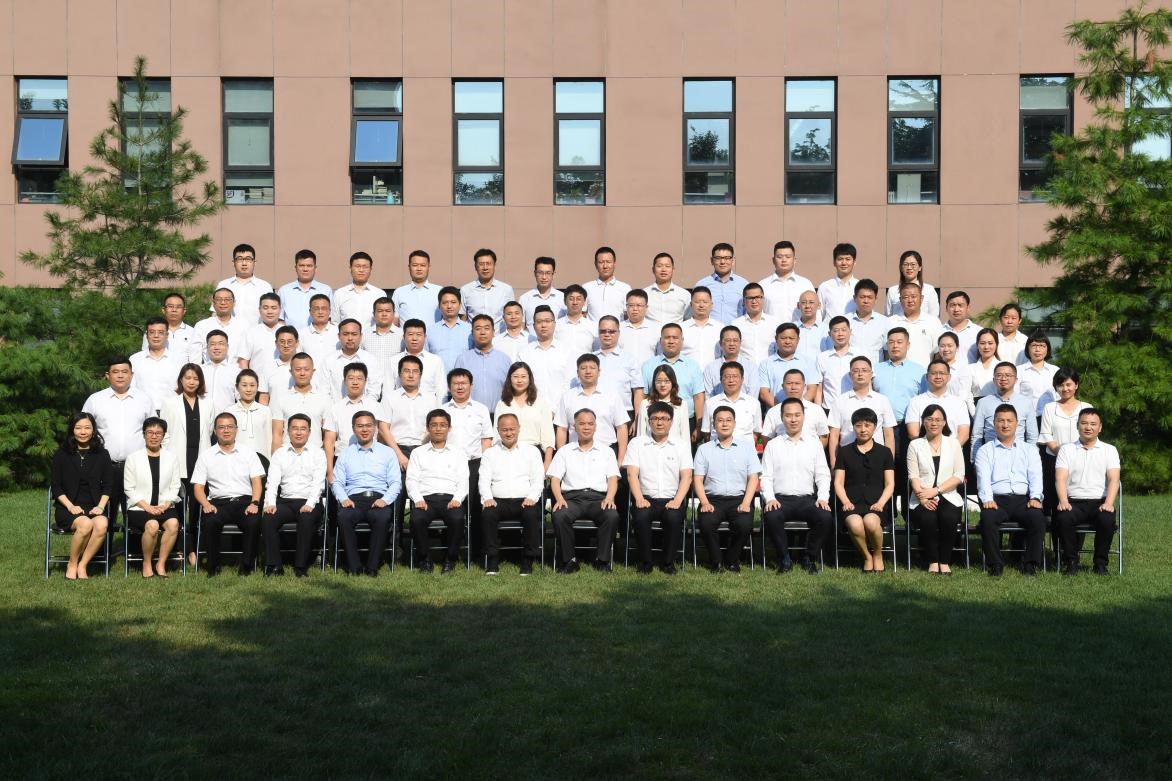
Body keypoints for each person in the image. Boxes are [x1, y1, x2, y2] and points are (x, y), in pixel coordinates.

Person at [82, 356, 155, 530]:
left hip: (136, 466)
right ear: (107, 375)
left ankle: (134, 546)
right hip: (105, 465)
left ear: (132, 375)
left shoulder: (144, 399)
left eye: (124, 372)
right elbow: (83, 429)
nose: (120, 375)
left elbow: (154, 430)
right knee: (104, 512)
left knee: (137, 511)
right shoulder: (95, 400)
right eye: (115, 372)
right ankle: (103, 547)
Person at [761, 398, 833, 574]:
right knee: (772, 516)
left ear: (803, 416)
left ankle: (810, 557)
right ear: (782, 418)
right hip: (780, 500)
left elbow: (823, 475)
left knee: (825, 517)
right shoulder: (772, 445)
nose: (793, 419)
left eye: (797, 415)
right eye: (788, 415)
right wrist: (770, 499)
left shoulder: (814, 444)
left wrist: (823, 498)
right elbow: (766, 477)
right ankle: (784, 558)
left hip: (807, 500)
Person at [191, 412, 265, 577]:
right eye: (222, 427)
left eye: (230, 427)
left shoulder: (248, 453)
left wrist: (254, 503)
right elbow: (198, 487)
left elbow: (257, 482)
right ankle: (213, 567)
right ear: (215, 431)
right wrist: (206, 504)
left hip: (244, 502)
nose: (226, 430)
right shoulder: (206, 456)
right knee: (210, 522)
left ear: (236, 430)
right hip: (218, 503)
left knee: (253, 522)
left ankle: (246, 567)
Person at [975, 404, 1046, 576]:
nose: (1005, 425)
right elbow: (983, 479)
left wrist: (1036, 497)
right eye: (1000, 421)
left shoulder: (1029, 450)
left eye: (1009, 421)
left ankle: (1030, 564)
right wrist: (987, 499)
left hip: (1023, 500)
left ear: (1017, 424)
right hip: (997, 500)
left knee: (1037, 518)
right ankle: (995, 564)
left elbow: (1036, 476)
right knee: (987, 518)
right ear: (994, 423)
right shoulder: (985, 450)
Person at [548, 409, 622, 573]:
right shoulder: (564, 451)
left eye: (590, 423)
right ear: (574, 427)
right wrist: (559, 498)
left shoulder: (607, 451)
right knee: (560, 515)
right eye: (582, 424)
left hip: (598, 499)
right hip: (572, 499)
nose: (586, 427)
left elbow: (612, 479)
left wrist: (610, 498)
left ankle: (602, 560)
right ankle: (569, 560)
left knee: (611, 515)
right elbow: (555, 479)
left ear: (596, 426)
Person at [624, 401, 693, 575]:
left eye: (664, 418)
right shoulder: (637, 444)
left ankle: (668, 563)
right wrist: (639, 498)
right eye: (655, 419)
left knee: (674, 518)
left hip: (672, 498)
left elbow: (687, 476)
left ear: (671, 421)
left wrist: (677, 500)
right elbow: (632, 474)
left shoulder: (681, 445)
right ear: (648, 421)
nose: (659, 422)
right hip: (646, 497)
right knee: (641, 517)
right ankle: (645, 562)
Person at [332, 411, 401, 576]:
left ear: (375, 427)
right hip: (353, 500)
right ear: (353, 429)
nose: (364, 429)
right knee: (344, 516)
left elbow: (395, 482)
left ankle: (372, 567)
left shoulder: (388, 452)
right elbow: (337, 482)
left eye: (368, 425)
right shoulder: (345, 454)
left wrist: (385, 500)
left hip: (378, 498)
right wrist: (343, 499)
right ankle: (354, 567)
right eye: (360, 426)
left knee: (382, 517)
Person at [692, 406, 761, 573]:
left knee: (744, 524)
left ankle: (731, 560)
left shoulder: (747, 448)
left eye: (728, 420)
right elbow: (697, 480)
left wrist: (746, 503)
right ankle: (716, 561)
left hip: (739, 499)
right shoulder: (704, 449)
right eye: (720, 420)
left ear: (734, 424)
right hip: (712, 500)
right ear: (714, 425)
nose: (724, 424)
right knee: (707, 523)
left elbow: (753, 478)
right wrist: (704, 503)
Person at [1054, 408, 1121, 576]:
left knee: (1107, 519)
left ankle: (1100, 564)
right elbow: (1060, 478)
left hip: (1100, 502)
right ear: (1077, 426)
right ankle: (1071, 562)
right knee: (1063, 517)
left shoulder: (1109, 450)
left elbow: (1114, 479)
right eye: (1084, 423)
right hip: (1073, 502)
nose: (1088, 427)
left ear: (1100, 427)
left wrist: (1109, 503)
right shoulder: (1066, 449)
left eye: (1093, 424)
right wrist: (1063, 501)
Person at [260, 413, 326, 577]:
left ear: (309, 432)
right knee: (269, 518)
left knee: (306, 518)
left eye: (303, 429)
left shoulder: (318, 453)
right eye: (295, 428)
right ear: (287, 431)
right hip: (286, 501)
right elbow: (272, 482)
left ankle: (300, 567)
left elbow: (318, 483)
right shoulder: (279, 453)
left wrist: (309, 504)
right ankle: (275, 565)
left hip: (310, 501)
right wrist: (270, 504)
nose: (299, 432)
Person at [480, 412, 545, 576]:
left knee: (531, 514)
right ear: (498, 431)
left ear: (518, 429)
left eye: (512, 429)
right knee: (488, 514)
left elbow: (538, 479)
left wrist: (532, 498)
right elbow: (484, 480)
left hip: (525, 500)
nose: (509, 433)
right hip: (498, 501)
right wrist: (487, 498)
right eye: (504, 430)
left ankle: (528, 560)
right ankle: (492, 560)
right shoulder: (489, 453)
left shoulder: (532, 451)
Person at [51, 412, 114, 579]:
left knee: (102, 524)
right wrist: (70, 506)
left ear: (93, 430)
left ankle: (83, 564)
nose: (83, 432)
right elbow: (56, 487)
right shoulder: (62, 454)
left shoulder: (102, 454)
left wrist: (100, 506)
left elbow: (108, 485)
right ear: (72, 430)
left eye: (87, 428)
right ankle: (72, 563)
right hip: (67, 508)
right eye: (78, 428)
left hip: (94, 506)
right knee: (85, 524)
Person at [406, 409, 471, 573]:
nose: (438, 429)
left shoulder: (458, 453)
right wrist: (417, 499)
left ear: (449, 428)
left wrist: (457, 499)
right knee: (416, 520)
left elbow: (464, 479)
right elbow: (411, 479)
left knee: (457, 519)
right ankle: (425, 560)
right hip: (425, 499)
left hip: (450, 498)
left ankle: (451, 559)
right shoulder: (417, 453)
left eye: (442, 425)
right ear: (428, 428)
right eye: (434, 425)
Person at [833, 407, 895, 572]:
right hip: (851, 503)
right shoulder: (844, 452)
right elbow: (838, 482)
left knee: (870, 522)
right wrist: (845, 502)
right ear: (853, 427)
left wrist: (881, 503)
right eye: (858, 425)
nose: (863, 429)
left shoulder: (885, 452)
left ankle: (878, 554)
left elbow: (890, 483)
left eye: (867, 425)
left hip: (877, 503)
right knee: (855, 524)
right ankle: (867, 556)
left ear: (875, 427)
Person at [906, 404, 966, 574]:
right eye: (930, 419)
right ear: (923, 422)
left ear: (944, 422)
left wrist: (936, 490)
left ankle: (945, 561)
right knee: (928, 518)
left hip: (948, 494)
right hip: (922, 496)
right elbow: (913, 476)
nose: (934, 423)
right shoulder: (915, 445)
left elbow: (959, 475)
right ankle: (933, 560)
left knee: (948, 517)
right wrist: (923, 497)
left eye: (938, 420)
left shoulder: (953, 444)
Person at [161, 363, 214, 551]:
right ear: (181, 380)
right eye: (188, 378)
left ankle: (196, 547)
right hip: (178, 461)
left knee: (198, 508)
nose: (192, 382)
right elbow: (165, 433)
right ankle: (181, 547)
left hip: (200, 461)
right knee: (178, 506)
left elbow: (209, 431)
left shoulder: (208, 403)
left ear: (200, 381)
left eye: (196, 378)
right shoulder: (170, 403)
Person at [123, 417, 183, 578]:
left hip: (164, 505)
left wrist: (166, 504)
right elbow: (129, 488)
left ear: (163, 435)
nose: (154, 436)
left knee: (173, 524)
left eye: (158, 433)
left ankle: (161, 563)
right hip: (139, 507)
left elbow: (175, 485)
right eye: (150, 432)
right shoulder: (133, 458)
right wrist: (147, 507)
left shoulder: (171, 458)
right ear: (144, 434)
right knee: (152, 525)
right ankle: (147, 562)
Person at [555, 354, 630, 464]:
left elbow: (621, 427)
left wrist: (620, 460)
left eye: (592, 368)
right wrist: (561, 460)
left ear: (599, 372)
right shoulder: (567, 397)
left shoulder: (611, 395)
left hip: (607, 453)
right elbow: (561, 429)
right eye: (583, 368)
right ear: (577, 372)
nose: (588, 371)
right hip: (575, 454)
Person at [323, 363, 390, 479]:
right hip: (343, 460)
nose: (355, 382)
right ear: (344, 381)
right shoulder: (335, 408)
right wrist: (330, 472)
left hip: (372, 459)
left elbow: (382, 437)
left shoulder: (376, 407)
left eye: (359, 378)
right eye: (351, 378)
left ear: (365, 381)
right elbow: (329, 442)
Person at [827, 356, 897, 467]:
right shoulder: (840, 401)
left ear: (871, 374)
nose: (860, 374)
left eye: (864, 370)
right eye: (856, 371)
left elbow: (888, 435)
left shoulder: (882, 400)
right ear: (850, 375)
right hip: (848, 458)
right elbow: (834, 435)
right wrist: (833, 464)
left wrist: (889, 465)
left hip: (877, 458)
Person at [641, 323, 706, 438]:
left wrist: (698, 425)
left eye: (675, 338)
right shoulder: (648, 365)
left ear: (682, 340)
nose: (671, 341)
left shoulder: (692, 366)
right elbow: (643, 395)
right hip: (656, 422)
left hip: (686, 421)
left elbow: (698, 397)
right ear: (661, 341)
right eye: (667, 337)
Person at [971, 362, 1039, 459]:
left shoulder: (1026, 403)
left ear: (1016, 380)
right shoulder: (983, 402)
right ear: (994, 380)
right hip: (990, 456)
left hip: (1019, 456)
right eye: (999, 375)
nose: (1003, 378)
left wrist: (1032, 459)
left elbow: (1032, 437)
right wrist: (975, 460)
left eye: (1008, 375)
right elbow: (977, 435)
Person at [495, 361, 556, 470]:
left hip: (534, 455)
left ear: (529, 378)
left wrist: (547, 461)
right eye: (515, 377)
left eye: (523, 376)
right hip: (507, 454)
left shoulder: (541, 403)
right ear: (510, 379)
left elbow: (548, 435)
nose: (519, 380)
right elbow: (496, 435)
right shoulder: (503, 403)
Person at [270, 353, 330, 453]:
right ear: (291, 372)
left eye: (306, 369)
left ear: (313, 371)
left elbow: (328, 436)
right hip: (287, 454)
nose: (302, 373)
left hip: (315, 455)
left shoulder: (324, 399)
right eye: (298, 369)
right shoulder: (281, 398)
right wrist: (275, 459)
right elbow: (277, 435)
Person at [519, 305, 574, 412]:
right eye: (539, 322)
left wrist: (558, 410)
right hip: (532, 411)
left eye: (547, 321)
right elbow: (521, 384)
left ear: (554, 324)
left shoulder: (566, 351)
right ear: (534, 326)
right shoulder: (524, 353)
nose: (543, 325)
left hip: (561, 412)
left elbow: (570, 383)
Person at [905, 360, 971, 445]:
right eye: (933, 373)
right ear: (927, 377)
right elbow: (913, 433)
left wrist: (950, 450)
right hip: (924, 451)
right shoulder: (915, 401)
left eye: (942, 373)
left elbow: (964, 434)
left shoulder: (959, 403)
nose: (938, 377)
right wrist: (930, 450)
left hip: (953, 451)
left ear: (949, 377)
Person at [454, 314, 513, 408]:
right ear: (472, 333)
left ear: (493, 332)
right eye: (478, 329)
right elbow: (456, 388)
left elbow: (512, 389)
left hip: (499, 413)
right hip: (470, 413)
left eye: (486, 328)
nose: (482, 332)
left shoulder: (504, 359)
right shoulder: (463, 359)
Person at [760, 369, 830, 448]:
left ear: (804, 386)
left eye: (797, 383)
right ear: (783, 386)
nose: (793, 387)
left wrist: (815, 453)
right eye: (789, 383)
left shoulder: (817, 410)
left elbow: (824, 436)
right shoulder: (773, 412)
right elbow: (766, 438)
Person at [700, 361, 762, 447]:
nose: (731, 380)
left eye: (735, 376)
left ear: (742, 379)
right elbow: (706, 433)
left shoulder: (753, 403)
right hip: (718, 451)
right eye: (727, 377)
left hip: (745, 451)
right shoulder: (710, 403)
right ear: (721, 379)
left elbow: (756, 432)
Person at [593, 315, 644, 414]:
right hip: (596, 413)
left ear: (618, 333)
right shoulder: (591, 359)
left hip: (624, 413)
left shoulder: (630, 359)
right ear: (598, 333)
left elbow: (638, 391)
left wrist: (638, 417)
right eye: (603, 331)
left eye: (611, 331)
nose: (607, 334)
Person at [759, 322, 817, 407]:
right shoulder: (766, 364)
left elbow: (812, 389)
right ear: (776, 339)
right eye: (783, 338)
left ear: (798, 340)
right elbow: (764, 393)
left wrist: (798, 408)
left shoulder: (808, 362)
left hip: (802, 412)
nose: (787, 341)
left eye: (791, 338)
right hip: (776, 411)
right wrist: (781, 410)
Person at [131, 316, 182, 414]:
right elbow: (131, 388)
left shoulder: (179, 360)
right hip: (142, 413)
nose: (156, 336)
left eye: (160, 332)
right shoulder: (135, 360)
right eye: (152, 332)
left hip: (172, 413)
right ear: (146, 335)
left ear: (167, 335)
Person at [387, 318, 447, 400]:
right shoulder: (393, 361)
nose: (414, 338)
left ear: (425, 337)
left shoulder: (435, 361)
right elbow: (387, 390)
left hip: (428, 406)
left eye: (419, 334)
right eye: (410, 334)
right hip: (400, 405)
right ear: (404, 337)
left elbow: (441, 391)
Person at [889, 282, 943, 368]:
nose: (910, 300)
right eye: (906, 297)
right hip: (896, 372)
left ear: (921, 298)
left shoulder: (933, 322)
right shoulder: (891, 322)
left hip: (924, 373)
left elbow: (938, 353)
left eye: (913, 296)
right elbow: (886, 351)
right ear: (900, 300)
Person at [215, 243, 272, 324]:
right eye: (240, 259)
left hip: (255, 330)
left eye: (248, 259)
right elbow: (215, 312)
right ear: (233, 262)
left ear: (254, 262)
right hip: (229, 331)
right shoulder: (223, 285)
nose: (244, 263)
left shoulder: (265, 287)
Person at [224, 369, 273, 465]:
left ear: (258, 387)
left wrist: (269, 462)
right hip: (235, 461)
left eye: (252, 385)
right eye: (244, 385)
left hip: (260, 461)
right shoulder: (229, 411)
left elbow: (269, 439)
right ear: (237, 387)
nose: (248, 389)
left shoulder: (265, 411)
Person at [702, 325, 763, 401]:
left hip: (745, 407)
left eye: (735, 340)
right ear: (721, 343)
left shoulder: (751, 367)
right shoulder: (710, 368)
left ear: (740, 343)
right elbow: (708, 396)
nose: (731, 343)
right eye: (728, 340)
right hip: (718, 407)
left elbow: (753, 395)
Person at [326, 319, 383, 401]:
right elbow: (324, 391)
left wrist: (365, 407)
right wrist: (337, 407)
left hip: (365, 407)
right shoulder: (329, 360)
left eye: (354, 334)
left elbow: (374, 390)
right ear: (339, 336)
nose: (350, 338)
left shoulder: (370, 360)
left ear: (361, 336)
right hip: (335, 407)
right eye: (345, 334)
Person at [759, 240, 815, 323]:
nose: (784, 260)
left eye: (788, 257)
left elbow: (815, 312)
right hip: (771, 330)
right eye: (779, 257)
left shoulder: (805, 284)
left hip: (799, 330)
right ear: (773, 260)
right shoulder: (763, 285)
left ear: (794, 260)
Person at [277, 248, 332, 327]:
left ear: (315, 268)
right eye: (301, 266)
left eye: (309, 266)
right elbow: (279, 320)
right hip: (292, 335)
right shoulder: (284, 291)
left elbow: (330, 319)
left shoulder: (325, 290)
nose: (305, 269)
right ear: (296, 268)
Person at [694, 242, 746, 324]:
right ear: (712, 261)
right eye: (718, 258)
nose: (722, 262)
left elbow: (748, 312)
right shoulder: (701, 285)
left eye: (727, 258)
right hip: (709, 330)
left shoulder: (743, 285)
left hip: (736, 330)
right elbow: (694, 313)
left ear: (733, 261)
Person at [141, 292, 201, 364]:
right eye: (170, 306)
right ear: (163, 310)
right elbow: (145, 355)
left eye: (178, 307)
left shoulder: (193, 332)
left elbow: (196, 361)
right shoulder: (152, 332)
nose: (174, 310)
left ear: (184, 311)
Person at [461, 248, 515, 327]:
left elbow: (511, 316)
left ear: (494, 266)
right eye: (481, 264)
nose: (485, 268)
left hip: (498, 334)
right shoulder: (465, 290)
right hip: (473, 335)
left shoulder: (506, 289)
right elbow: (463, 318)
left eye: (488, 263)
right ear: (475, 267)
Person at [235, 292, 285, 378]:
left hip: (283, 382)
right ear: (259, 309)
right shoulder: (251, 332)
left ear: (280, 309)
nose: (269, 311)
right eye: (265, 308)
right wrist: (249, 381)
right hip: (258, 382)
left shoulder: (287, 332)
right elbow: (243, 361)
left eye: (274, 308)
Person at [730, 282, 779, 364]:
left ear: (763, 299)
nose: (754, 301)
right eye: (750, 298)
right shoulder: (735, 325)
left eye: (758, 297)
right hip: (745, 369)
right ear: (744, 301)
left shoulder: (774, 323)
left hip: (769, 369)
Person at [427, 286, 473, 373]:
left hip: (463, 379)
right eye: (445, 303)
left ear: (460, 305)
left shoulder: (470, 330)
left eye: (453, 302)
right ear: (439, 306)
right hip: (438, 379)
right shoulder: (429, 331)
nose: (449, 306)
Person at [332, 251, 384, 327]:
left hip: (372, 335)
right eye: (357, 266)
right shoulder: (339, 294)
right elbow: (335, 323)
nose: (361, 270)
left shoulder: (379, 294)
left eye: (365, 267)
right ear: (350, 268)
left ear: (371, 269)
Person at [194, 288, 246, 362]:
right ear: (213, 303)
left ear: (234, 303)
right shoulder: (201, 325)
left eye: (227, 299)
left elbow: (247, 354)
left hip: (236, 368)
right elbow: (195, 353)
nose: (223, 302)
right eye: (219, 299)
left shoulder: (244, 326)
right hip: (209, 368)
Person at [815, 315, 855, 410]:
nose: (840, 334)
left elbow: (868, 385)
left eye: (844, 330)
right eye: (836, 331)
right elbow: (819, 390)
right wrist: (818, 412)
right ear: (829, 334)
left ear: (850, 332)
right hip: (829, 410)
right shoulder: (822, 358)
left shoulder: (860, 355)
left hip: (854, 409)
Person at [392, 249, 442, 326]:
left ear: (429, 267)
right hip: (406, 334)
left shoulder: (439, 291)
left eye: (423, 265)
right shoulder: (399, 292)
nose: (419, 269)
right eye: (415, 265)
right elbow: (394, 321)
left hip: (434, 334)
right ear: (409, 267)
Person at [846, 279, 891, 364]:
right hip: (850, 370)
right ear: (855, 298)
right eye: (862, 297)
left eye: (870, 297)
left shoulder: (884, 322)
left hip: (876, 370)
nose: (866, 301)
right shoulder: (845, 322)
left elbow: (887, 351)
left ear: (876, 299)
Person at [885, 250, 939, 318]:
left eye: (913, 264)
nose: (909, 268)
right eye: (905, 264)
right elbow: (888, 317)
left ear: (920, 268)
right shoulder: (892, 291)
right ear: (901, 268)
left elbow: (934, 316)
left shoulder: (929, 290)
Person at [583, 245, 631, 321]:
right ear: (595, 264)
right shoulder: (586, 288)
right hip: (593, 329)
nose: (605, 266)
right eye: (601, 262)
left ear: (614, 264)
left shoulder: (625, 288)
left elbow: (627, 315)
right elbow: (583, 314)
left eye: (608, 262)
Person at [1017, 331, 1060, 414]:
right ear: (1027, 348)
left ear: (1048, 349)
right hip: (1027, 415)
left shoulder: (1055, 371)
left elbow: (1059, 396)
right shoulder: (1019, 371)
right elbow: (1015, 396)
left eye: (1042, 346)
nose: (1037, 350)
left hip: (1051, 415)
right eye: (1034, 346)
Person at [679, 286, 723, 364]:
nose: (701, 305)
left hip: (714, 371)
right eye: (697, 302)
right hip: (687, 371)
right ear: (691, 304)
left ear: (711, 304)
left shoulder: (721, 328)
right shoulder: (681, 329)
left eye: (705, 302)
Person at [644, 252, 690, 324]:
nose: (663, 269)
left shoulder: (684, 294)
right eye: (659, 266)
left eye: (667, 266)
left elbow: (689, 320)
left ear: (673, 269)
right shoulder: (644, 294)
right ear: (653, 270)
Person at [518, 256, 566, 326]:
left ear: (553, 274)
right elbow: (521, 326)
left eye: (548, 273)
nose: (544, 277)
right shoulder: (524, 299)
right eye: (540, 273)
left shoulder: (563, 298)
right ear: (535, 273)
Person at [817, 242, 860, 320]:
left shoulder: (860, 287)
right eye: (840, 259)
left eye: (848, 259)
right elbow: (818, 314)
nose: (844, 263)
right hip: (829, 328)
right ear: (834, 262)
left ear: (854, 262)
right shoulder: (825, 286)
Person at [618, 288, 661, 364]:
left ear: (646, 307)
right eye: (631, 305)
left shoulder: (656, 329)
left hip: (648, 370)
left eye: (639, 305)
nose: (635, 309)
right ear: (626, 307)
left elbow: (660, 355)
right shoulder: (618, 329)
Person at [202, 330, 240, 414]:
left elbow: (240, 399)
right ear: (207, 347)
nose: (217, 347)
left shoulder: (236, 371)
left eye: (221, 344)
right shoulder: (199, 370)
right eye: (212, 344)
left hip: (227, 418)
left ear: (227, 347)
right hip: (202, 418)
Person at [362, 296, 404, 370]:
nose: (384, 314)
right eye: (380, 311)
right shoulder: (364, 335)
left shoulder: (402, 335)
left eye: (388, 311)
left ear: (394, 313)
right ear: (374, 314)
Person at [300, 293, 340, 369]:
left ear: (329, 311)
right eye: (316, 309)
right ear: (310, 311)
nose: (320, 312)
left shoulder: (339, 332)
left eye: (324, 308)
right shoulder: (301, 334)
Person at [555, 284, 597, 357]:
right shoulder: (556, 326)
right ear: (565, 301)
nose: (575, 302)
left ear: (584, 302)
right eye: (571, 299)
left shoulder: (593, 326)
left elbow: (597, 351)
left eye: (578, 299)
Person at [943, 290, 980, 362]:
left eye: (960, 305)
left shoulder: (978, 332)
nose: (956, 309)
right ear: (946, 308)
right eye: (952, 305)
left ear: (968, 307)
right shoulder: (939, 330)